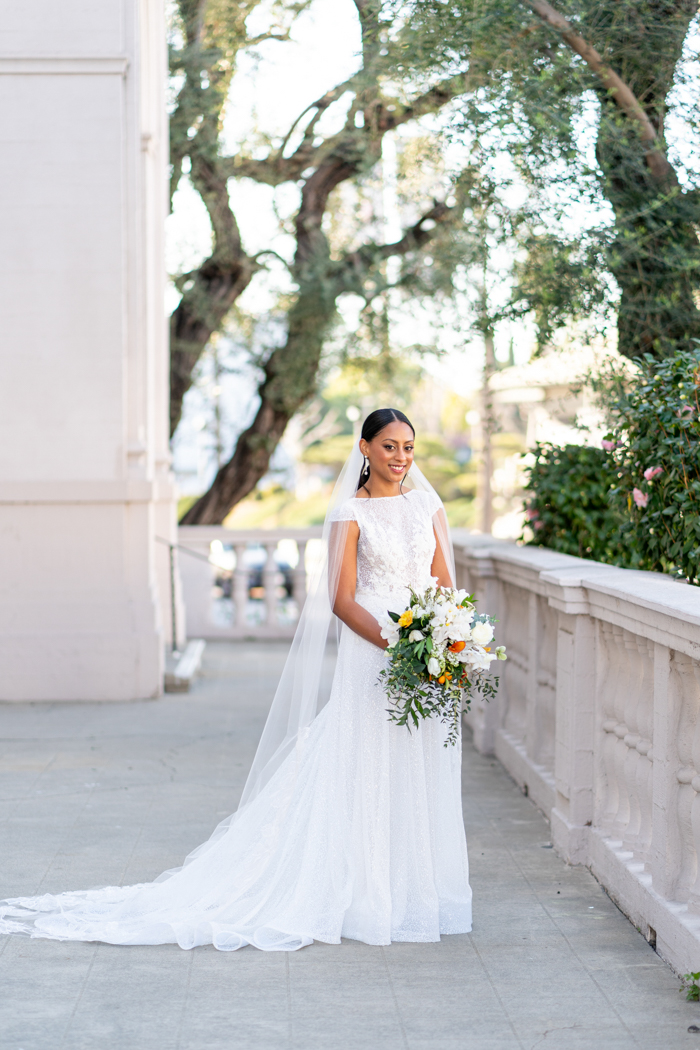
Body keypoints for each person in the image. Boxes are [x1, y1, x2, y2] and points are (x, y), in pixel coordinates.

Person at [0, 408, 472, 951]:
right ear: (364, 448)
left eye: (409, 447)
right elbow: (341, 600)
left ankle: (413, 893)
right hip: (374, 649)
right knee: (366, 760)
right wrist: (397, 644)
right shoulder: (350, 512)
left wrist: (442, 639)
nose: (401, 457)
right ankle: (365, 895)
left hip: (427, 651)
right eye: (389, 446)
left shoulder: (427, 503)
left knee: (417, 762)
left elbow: (444, 580)